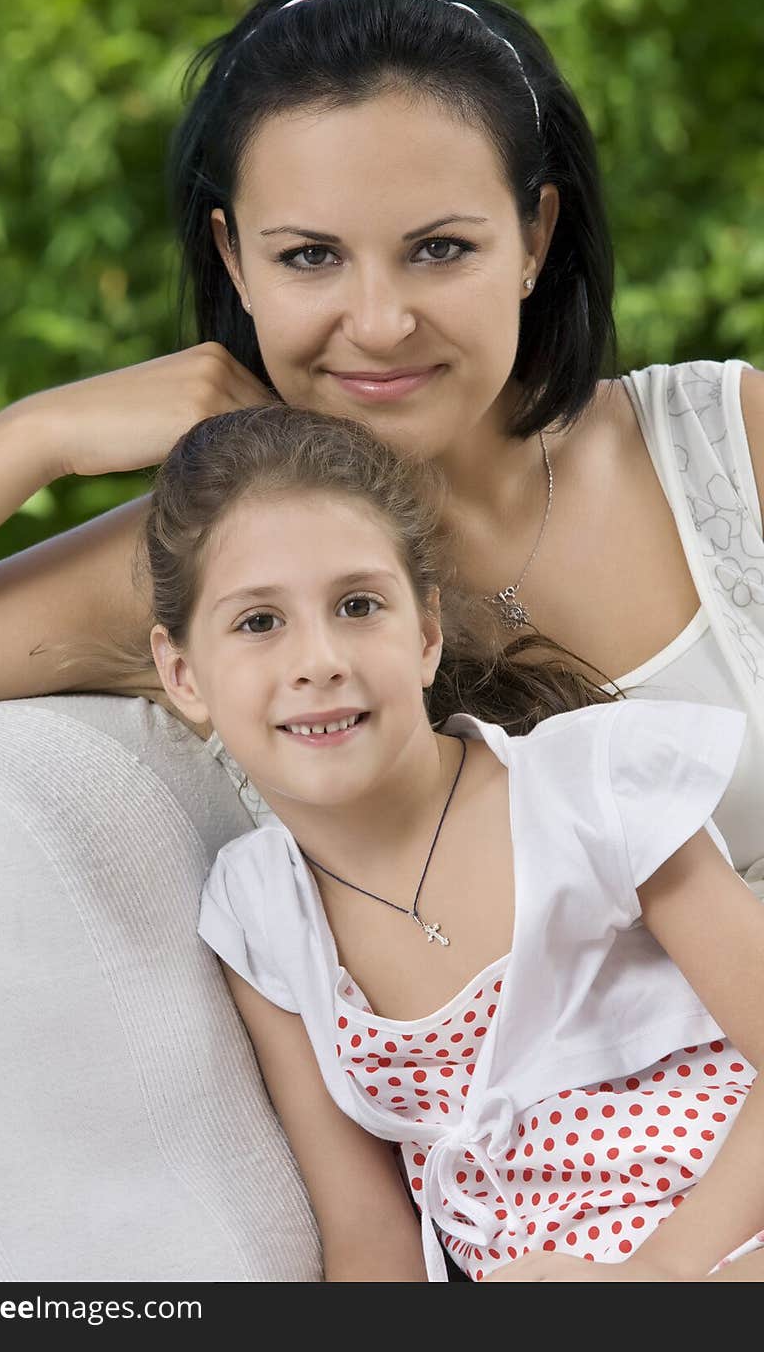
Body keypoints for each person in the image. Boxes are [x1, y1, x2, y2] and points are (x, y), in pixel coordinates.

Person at [0, 0, 761, 880]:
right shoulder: (213, 560)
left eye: (441, 248)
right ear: (233, 256)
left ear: (535, 236)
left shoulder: (726, 443)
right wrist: (37, 435)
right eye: (310, 256)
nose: (380, 324)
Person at [144, 400, 763, 1283]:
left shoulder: (585, 785)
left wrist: (657, 1279)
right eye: (258, 622)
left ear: (426, 634)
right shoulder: (260, 914)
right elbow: (370, 1243)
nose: (318, 659)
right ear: (182, 674)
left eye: (358, 605)